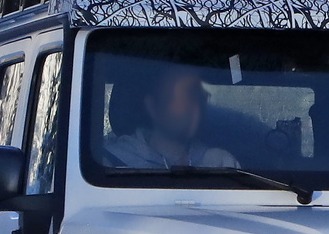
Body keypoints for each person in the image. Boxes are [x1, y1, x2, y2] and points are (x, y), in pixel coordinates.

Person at [103, 64, 240, 169]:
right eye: (187, 94)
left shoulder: (221, 163)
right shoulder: (107, 163)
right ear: (152, 106)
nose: (196, 104)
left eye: (199, 96)